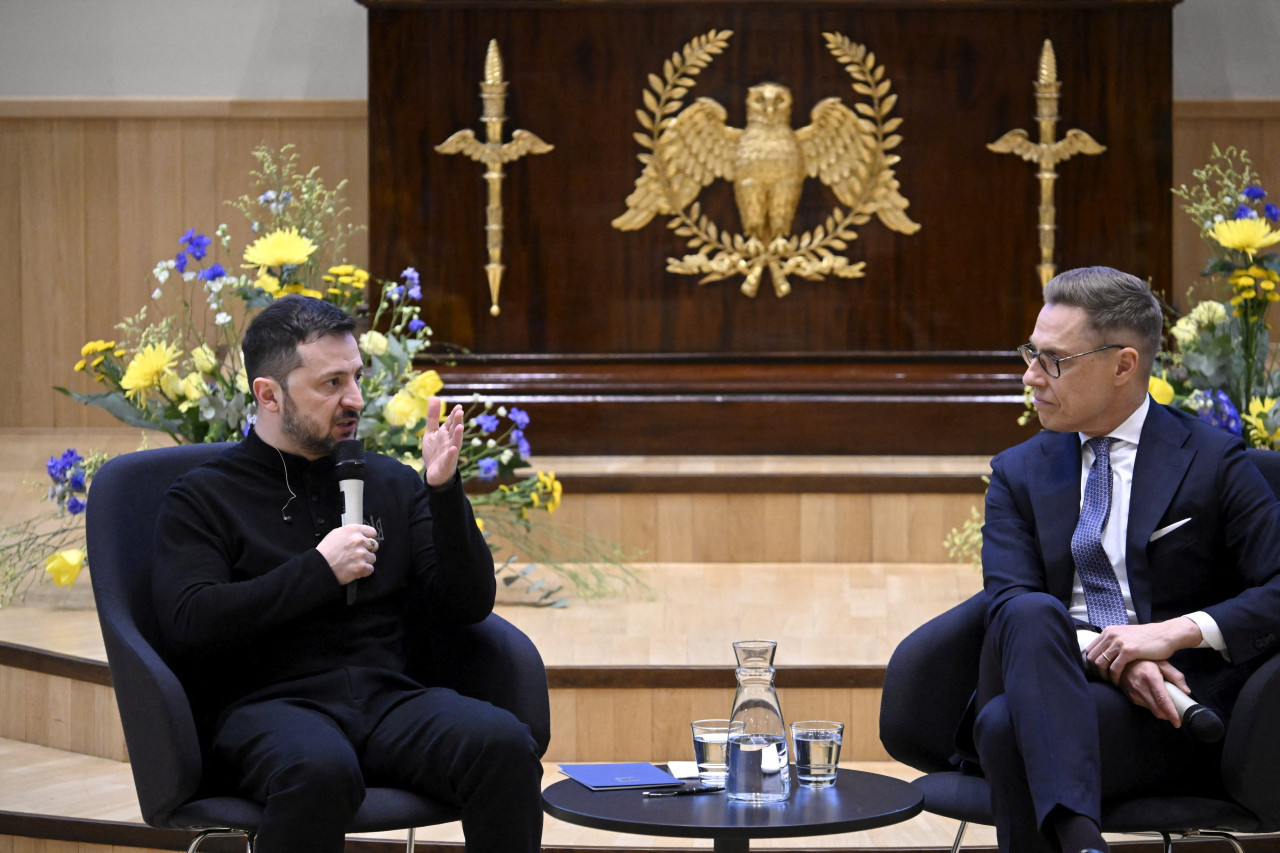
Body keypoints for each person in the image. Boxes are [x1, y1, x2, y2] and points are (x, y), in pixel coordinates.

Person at [151, 295, 544, 853]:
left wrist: (442, 491)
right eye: (331, 383)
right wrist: (318, 570)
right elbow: (190, 622)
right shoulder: (204, 496)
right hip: (269, 710)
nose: (354, 399)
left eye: (356, 378)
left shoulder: (388, 481)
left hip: (390, 702)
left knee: (502, 742)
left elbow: (468, 604)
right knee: (318, 769)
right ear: (268, 394)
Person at [975, 266, 1280, 853]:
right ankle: (1085, 843)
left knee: (1002, 729)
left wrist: (1170, 634)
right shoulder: (1018, 472)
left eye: (1053, 361)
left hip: (1169, 709)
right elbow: (1008, 603)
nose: (1030, 377)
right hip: (1051, 669)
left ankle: (1077, 837)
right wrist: (1114, 653)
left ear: (1122, 365)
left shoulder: (1214, 461)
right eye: (1029, 354)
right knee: (1031, 612)